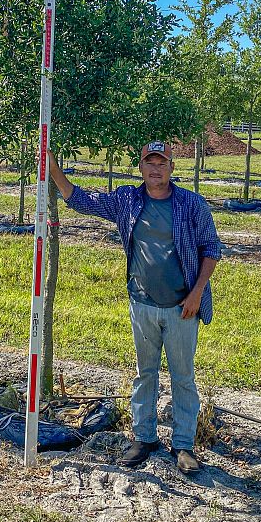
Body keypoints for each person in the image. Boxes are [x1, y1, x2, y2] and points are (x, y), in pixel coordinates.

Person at [48, 141, 222, 473]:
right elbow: (82, 200)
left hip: (181, 308)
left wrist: (197, 293)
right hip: (141, 305)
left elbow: (211, 248)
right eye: (149, 163)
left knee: (183, 378)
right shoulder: (128, 200)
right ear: (140, 167)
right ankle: (144, 438)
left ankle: (184, 445)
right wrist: (53, 169)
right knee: (145, 374)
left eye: (162, 163)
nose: (156, 169)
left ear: (172, 168)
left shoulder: (191, 204)